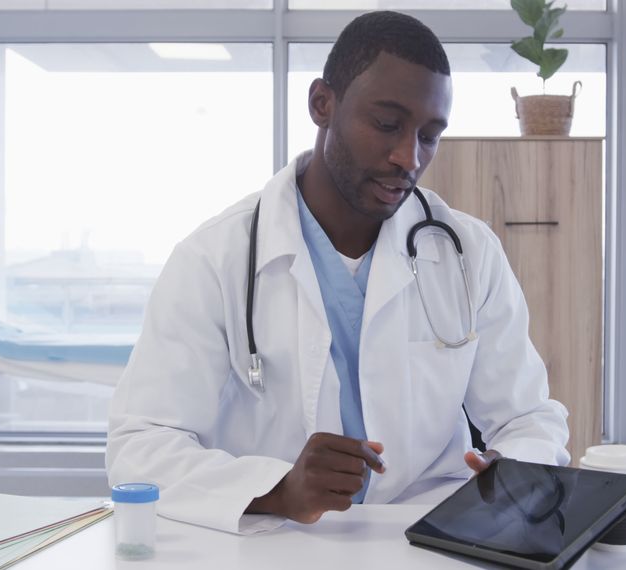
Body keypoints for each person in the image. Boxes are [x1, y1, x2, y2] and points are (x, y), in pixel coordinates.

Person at [106, 10, 570, 535]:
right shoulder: (215, 258)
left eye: (429, 135)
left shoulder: (468, 253)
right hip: (276, 541)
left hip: (430, 535)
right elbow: (139, 446)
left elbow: (528, 416)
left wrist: (514, 471)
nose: (408, 157)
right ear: (322, 104)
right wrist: (278, 490)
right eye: (388, 125)